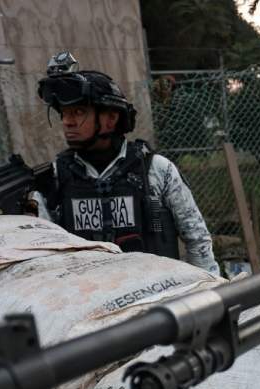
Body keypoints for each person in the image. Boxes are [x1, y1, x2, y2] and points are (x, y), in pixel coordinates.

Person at [33, 52, 220, 276]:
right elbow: (43, 258)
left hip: (158, 301)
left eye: (78, 112)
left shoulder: (156, 170)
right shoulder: (52, 179)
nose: (67, 122)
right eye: (63, 113)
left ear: (111, 119)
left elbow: (197, 240)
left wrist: (208, 297)